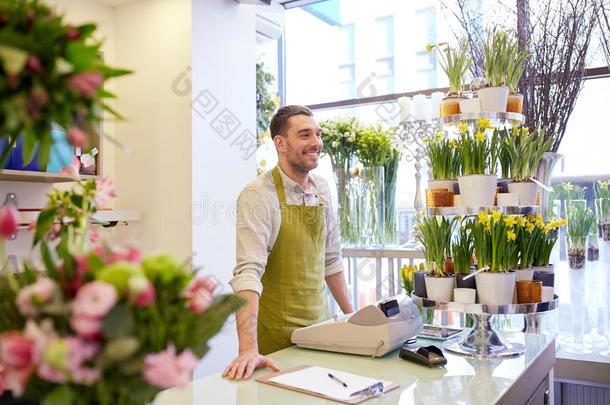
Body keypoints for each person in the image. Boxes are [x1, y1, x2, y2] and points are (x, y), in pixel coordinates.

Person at [222, 105, 354, 381]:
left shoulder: (321, 189)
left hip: (321, 331)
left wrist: (354, 320)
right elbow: (247, 274)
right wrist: (247, 349)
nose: (316, 142)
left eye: (318, 134)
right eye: (305, 135)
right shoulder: (258, 195)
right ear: (279, 143)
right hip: (278, 341)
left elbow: (332, 260)